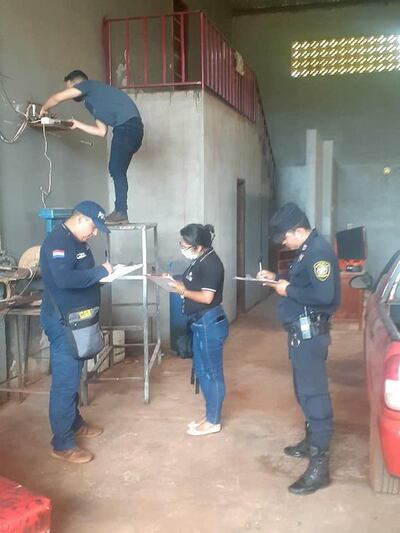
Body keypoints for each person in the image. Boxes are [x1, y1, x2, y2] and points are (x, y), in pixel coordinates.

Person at [257, 202, 340, 495]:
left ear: (298, 229)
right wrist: (277, 280)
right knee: (302, 391)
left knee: (314, 395)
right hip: (300, 334)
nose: (284, 243)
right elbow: (302, 283)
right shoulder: (306, 250)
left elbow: (324, 295)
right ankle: (311, 440)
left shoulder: (318, 253)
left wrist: (287, 289)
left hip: (311, 334)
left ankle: (320, 467)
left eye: (285, 238)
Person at [40, 201, 113, 464]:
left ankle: (74, 422)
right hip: (63, 322)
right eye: (93, 227)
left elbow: (81, 276)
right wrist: (100, 272)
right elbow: (64, 280)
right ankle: (62, 443)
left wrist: (100, 276)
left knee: (75, 374)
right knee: (66, 381)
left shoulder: (78, 242)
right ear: (80, 219)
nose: (94, 233)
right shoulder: (57, 242)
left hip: (78, 321)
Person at [40, 70, 144, 225]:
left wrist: (43, 109)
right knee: (117, 170)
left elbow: (57, 98)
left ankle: (121, 212)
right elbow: (101, 131)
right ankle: (121, 211)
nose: (69, 92)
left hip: (127, 127)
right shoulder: (92, 102)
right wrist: (77, 125)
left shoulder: (88, 85)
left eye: (69, 87)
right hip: (132, 130)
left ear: (77, 83)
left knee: (116, 169)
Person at [168, 224, 229, 436]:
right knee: (202, 371)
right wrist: (170, 282)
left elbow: (207, 297)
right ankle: (210, 414)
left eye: (185, 245)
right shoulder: (199, 259)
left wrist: (182, 291)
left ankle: (214, 421)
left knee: (212, 373)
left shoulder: (211, 264)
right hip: (200, 322)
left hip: (209, 322)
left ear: (199, 246)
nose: (182, 247)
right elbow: (192, 283)